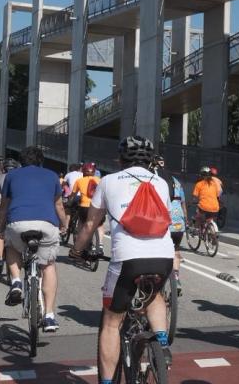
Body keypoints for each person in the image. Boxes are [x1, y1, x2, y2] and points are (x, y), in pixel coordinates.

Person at [70, 136, 174, 381]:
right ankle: (162, 345)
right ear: (150, 160)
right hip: (164, 256)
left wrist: (76, 250)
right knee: (154, 295)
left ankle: (107, 381)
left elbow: (90, 224)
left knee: (111, 322)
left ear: (120, 159)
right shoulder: (161, 183)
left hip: (128, 258)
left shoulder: (108, 181)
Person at [0, 146, 68, 333]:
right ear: (41, 161)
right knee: (48, 265)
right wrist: (64, 224)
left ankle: (16, 282)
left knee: (11, 246)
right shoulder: (52, 176)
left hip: (18, 223)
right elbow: (59, 205)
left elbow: (4, 207)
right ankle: (49, 315)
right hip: (46, 224)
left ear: (21, 161)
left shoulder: (11, 176)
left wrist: (0, 229)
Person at [72, 162, 104, 256]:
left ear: (83, 171)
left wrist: (70, 202)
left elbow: (73, 195)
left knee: (82, 224)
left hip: (84, 207)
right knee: (100, 224)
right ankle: (100, 245)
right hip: (98, 207)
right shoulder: (100, 180)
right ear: (94, 172)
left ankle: (82, 245)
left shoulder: (79, 181)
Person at [169, 175, 188, 295]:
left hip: (166, 220)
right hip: (179, 222)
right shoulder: (177, 182)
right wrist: (185, 219)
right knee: (176, 250)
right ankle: (175, 278)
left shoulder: (157, 180)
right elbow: (183, 203)